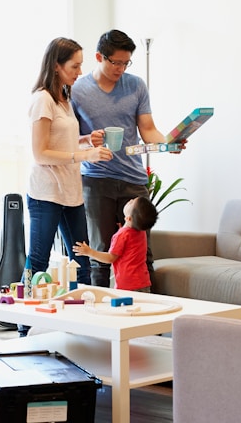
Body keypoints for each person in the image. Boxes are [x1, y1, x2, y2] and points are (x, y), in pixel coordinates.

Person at [71, 29, 185, 289]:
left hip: (133, 181)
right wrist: (90, 139)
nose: (121, 69)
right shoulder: (77, 90)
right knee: (100, 254)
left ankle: (151, 319)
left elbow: (147, 129)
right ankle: (99, 320)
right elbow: (69, 137)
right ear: (100, 57)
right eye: (116, 62)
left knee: (142, 254)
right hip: (96, 180)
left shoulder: (136, 85)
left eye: (126, 63)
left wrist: (169, 144)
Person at [26, 36, 113, 288]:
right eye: (74, 66)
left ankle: (85, 322)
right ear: (56, 65)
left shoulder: (64, 97)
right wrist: (85, 155)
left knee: (81, 261)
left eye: (80, 65)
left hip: (71, 194)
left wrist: (87, 140)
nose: (80, 71)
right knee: (38, 262)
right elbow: (41, 153)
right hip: (47, 194)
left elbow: (62, 141)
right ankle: (21, 323)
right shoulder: (42, 99)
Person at [73, 196, 158, 292]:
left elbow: (110, 258)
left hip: (127, 286)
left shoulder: (121, 235)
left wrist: (89, 252)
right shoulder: (142, 232)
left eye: (131, 202)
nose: (130, 200)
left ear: (128, 218)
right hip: (143, 282)